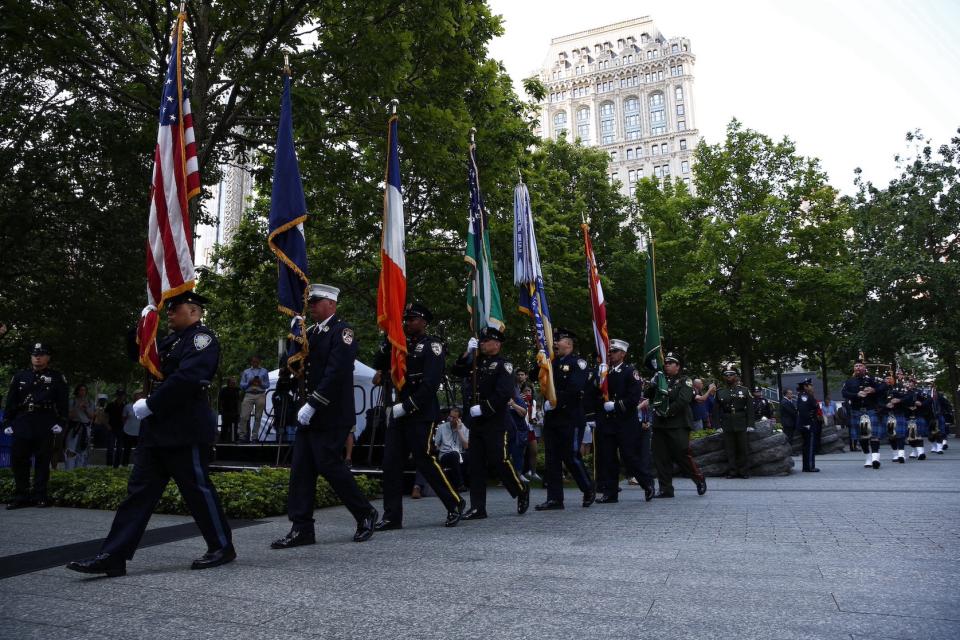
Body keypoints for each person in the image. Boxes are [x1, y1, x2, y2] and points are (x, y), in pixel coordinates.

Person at [67, 290, 235, 577]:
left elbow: (189, 378)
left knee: (197, 491)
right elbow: (140, 353)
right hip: (156, 431)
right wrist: (141, 323)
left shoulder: (201, 340)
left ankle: (221, 546)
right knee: (138, 495)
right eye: (167, 309)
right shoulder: (171, 341)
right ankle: (113, 555)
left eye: (175, 308)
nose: (169, 312)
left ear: (194, 311)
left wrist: (152, 404)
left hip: (184, 429)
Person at [272, 284, 378, 549]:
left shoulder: (342, 332)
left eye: (316, 303)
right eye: (310, 303)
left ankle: (365, 512)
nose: (311, 308)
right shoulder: (311, 333)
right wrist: (295, 337)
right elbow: (295, 364)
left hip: (331, 413)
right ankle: (302, 528)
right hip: (309, 415)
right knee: (301, 471)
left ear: (331, 303)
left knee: (329, 466)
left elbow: (337, 372)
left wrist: (314, 404)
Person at [374, 302, 465, 531]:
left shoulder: (432, 346)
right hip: (398, 412)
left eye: (413, 319)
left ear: (424, 322)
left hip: (420, 412)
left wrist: (408, 405)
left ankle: (454, 503)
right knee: (391, 464)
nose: (408, 323)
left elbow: (431, 383)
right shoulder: (398, 343)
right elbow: (378, 364)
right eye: (405, 319)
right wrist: (388, 339)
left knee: (424, 460)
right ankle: (392, 516)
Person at [450, 326, 529, 520]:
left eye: (486, 341)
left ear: (497, 343)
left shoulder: (504, 365)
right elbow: (456, 371)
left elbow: (504, 393)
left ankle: (520, 489)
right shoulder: (476, 362)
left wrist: (484, 408)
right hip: (476, 422)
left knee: (499, 460)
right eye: (481, 341)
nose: (483, 344)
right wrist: (467, 352)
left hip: (495, 421)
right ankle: (478, 508)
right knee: (475, 465)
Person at [535, 328, 595, 511]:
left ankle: (588, 489)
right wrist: (539, 358)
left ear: (568, 344)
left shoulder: (579, 363)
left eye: (558, 341)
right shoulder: (551, 363)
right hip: (553, 419)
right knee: (552, 459)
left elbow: (575, 389)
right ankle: (555, 499)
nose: (554, 344)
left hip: (570, 417)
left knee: (571, 456)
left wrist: (555, 401)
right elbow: (535, 376)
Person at [3, 342, 68, 509]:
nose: (37, 357)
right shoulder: (20, 376)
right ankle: (21, 495)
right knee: (19, 460)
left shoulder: (56, 377)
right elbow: (11, 401)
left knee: (42, 459)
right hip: (23, 420)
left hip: (44, 420)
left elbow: (62, 402)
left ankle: (40, 495)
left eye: (41, 354)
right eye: (34, 354)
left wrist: (60, 421)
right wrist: (8, 422)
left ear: (48, 357)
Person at [595, 339, 656, 503]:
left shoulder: (630, 372)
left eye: (614, 351)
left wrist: (615, 405)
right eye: (610, 351)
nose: (611, 354)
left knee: (629, 457)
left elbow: (634, 397)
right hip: (608, 422)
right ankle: (610, 493)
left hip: (625, 422)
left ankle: (647, 484)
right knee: (608, 458)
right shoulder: (605, 372)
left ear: (623, 354)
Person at [644, 352, 707, 498]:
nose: (666, 365)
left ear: (678, 366)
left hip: (677, 424)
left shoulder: (685, 381)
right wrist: (652, 384)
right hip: (660, 424)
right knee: (661, 457)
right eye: (665, 363)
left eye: (670, 363)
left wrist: (666, 412)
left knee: (682, 455)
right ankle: (666, 488)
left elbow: (683, 400)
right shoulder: (660, 380)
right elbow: (648, 395)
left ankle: (699, 479)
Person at [841, 359, 887, 469]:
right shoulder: (849, 381)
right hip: (856, 410)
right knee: (862, 437)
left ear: (864, 368)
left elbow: (885, 385)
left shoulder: (872, 379)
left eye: (860, 366)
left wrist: (873, 390)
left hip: (871, 409)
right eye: (856, 366)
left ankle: (875, 458)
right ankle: (868, 458)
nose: (857, 368)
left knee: (874, 435)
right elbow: (844, 393)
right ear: (854, 368)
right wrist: (856, 394)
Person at [713, 365, 754, 479]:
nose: (729, 377)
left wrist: (750, 424)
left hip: (741, 422)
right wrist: (717, 425)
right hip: (727, 423)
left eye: (731, 375)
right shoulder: (720, 391)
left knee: (743, 449)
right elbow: (715, 411)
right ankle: (732, 471)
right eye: (726, 375)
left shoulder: (744, 390)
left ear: (736, 376)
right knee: (730, 449)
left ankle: (744, 471)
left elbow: (750, 408)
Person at [434, 408, 469, 491]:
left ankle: (469, 482)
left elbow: (466, 446)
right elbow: (436, 444)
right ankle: (460, 484)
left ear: (459, 419)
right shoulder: (442, 427)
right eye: (450, 416)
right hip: (445, 454)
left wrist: (459, 431)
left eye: (454, 418)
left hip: (460, 454)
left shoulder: (464, 428)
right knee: (454, 455)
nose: (451, 419)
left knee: (469, 456)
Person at [880, 371, 910, 464]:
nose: (888, 380)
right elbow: (877, 402)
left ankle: (901, 454)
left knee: (900, 435)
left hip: (899, 413)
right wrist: (886, 405)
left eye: (889, 378)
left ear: (893, 379)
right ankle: (895, 454)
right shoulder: (881, 390)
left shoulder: (901, 387)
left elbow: (909, 397)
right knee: (891, 436)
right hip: (887, 414)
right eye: (886, 378)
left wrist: (899, 400)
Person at [238, 355, 270, 442]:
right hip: (249, 394)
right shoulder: (246, 372)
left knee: (258, 417)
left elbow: (267, 385)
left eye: (257, 361)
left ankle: (254, 437)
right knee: (244, 416)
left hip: (260, 394)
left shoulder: (264, 371)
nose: (255, 363)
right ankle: (242, 436)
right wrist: (249, 382)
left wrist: (261, 383)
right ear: (251, 362)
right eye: (253, 361)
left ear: (259, 361)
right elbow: (241, 385)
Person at [65, 383, 94, 470]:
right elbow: (70, 416)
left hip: (85, 428)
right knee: (71, 450)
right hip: (74, 428)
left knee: (83, 451)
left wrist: (85, 409)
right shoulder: (72, 402)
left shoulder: (90, 402)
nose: (82, 392)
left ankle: (80, 470)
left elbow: (91, 416)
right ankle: (69, 471)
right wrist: (77, 407)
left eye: (84, 390)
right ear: (77, 391)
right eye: (81, 390)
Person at [795, 378, 821, 472]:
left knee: (807, 446)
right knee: (809, 446)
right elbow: (803, 411)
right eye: (810, 385)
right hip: (808, 424)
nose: (812, 387)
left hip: (808, 423)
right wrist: (807, 424)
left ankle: (806, 466)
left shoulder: (806, 395)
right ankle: (809, 466)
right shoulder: (804, 396)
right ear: (805, 386)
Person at [120, 391, 143, 467]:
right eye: (136, 396)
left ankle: (139, 465)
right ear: (134, 397)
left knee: (139, 450)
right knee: (127, 450)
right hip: (128, 431)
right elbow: (123, 418)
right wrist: (125, 427)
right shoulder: (128, 406)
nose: (138, 398)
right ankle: (124, 465)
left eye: (140, 396)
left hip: (139, 432)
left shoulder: (144, 407)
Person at [105, 390, 127, 468]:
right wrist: (107, 424)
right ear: (117, 396)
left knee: (119, 448)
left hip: (121, 428)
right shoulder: (110, 405)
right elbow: (106, 416)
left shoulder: (125, 406)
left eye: (122, 395)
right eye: (119, 395)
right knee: (110, 447)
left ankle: (116, 466)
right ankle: (109, 464)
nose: (121, 397)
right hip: (111, 428)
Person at [217, 377, 241, 443]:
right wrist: (220, 410)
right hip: (226, 411)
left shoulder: (237, 390)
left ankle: (235, 439)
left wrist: (239, 411)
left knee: (235, 426)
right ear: (229, 383)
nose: (234, 383)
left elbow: (239, 401)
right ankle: (222, 440)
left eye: (234, 382)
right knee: (225, 426)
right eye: (232, 382)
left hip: (235, 411)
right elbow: (220, 400)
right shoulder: (223, 390)